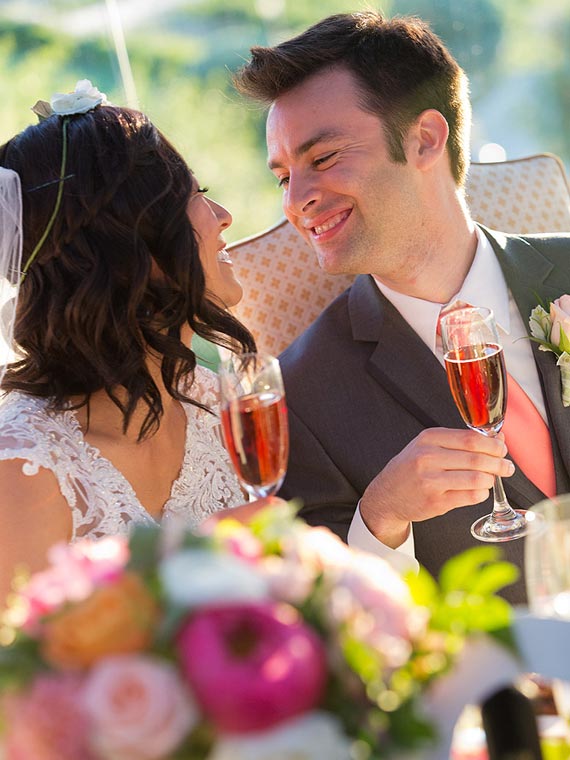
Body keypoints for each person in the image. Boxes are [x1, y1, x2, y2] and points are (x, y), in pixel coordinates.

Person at [234, 12, 570, 603]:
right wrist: (381, 517)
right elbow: (324, 620)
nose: (298, 200)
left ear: (425, 139)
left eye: (325, 157)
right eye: (283, 176)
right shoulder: (303, 396)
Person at [0, 80, 262, 604]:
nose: (224, 216)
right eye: (197, 196)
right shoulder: (23, 471)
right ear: (134, 248)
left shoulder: (217, 402)